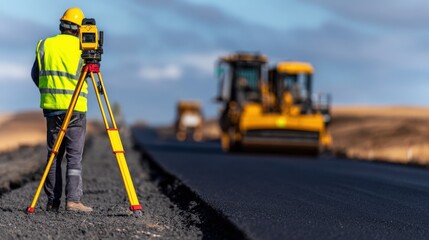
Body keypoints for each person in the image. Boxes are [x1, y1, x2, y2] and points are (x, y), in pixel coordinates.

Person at [31, 8, 92, 212]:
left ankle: (52, 202)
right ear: (79, 29)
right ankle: (73, 201)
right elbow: (90, 75)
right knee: (74, 156)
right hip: (75, 109)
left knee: (54, 154)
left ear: (62, 25)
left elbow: (35, 74)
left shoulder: (44, 45)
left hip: (52, 108)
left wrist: (49, 90)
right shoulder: (83, 47)